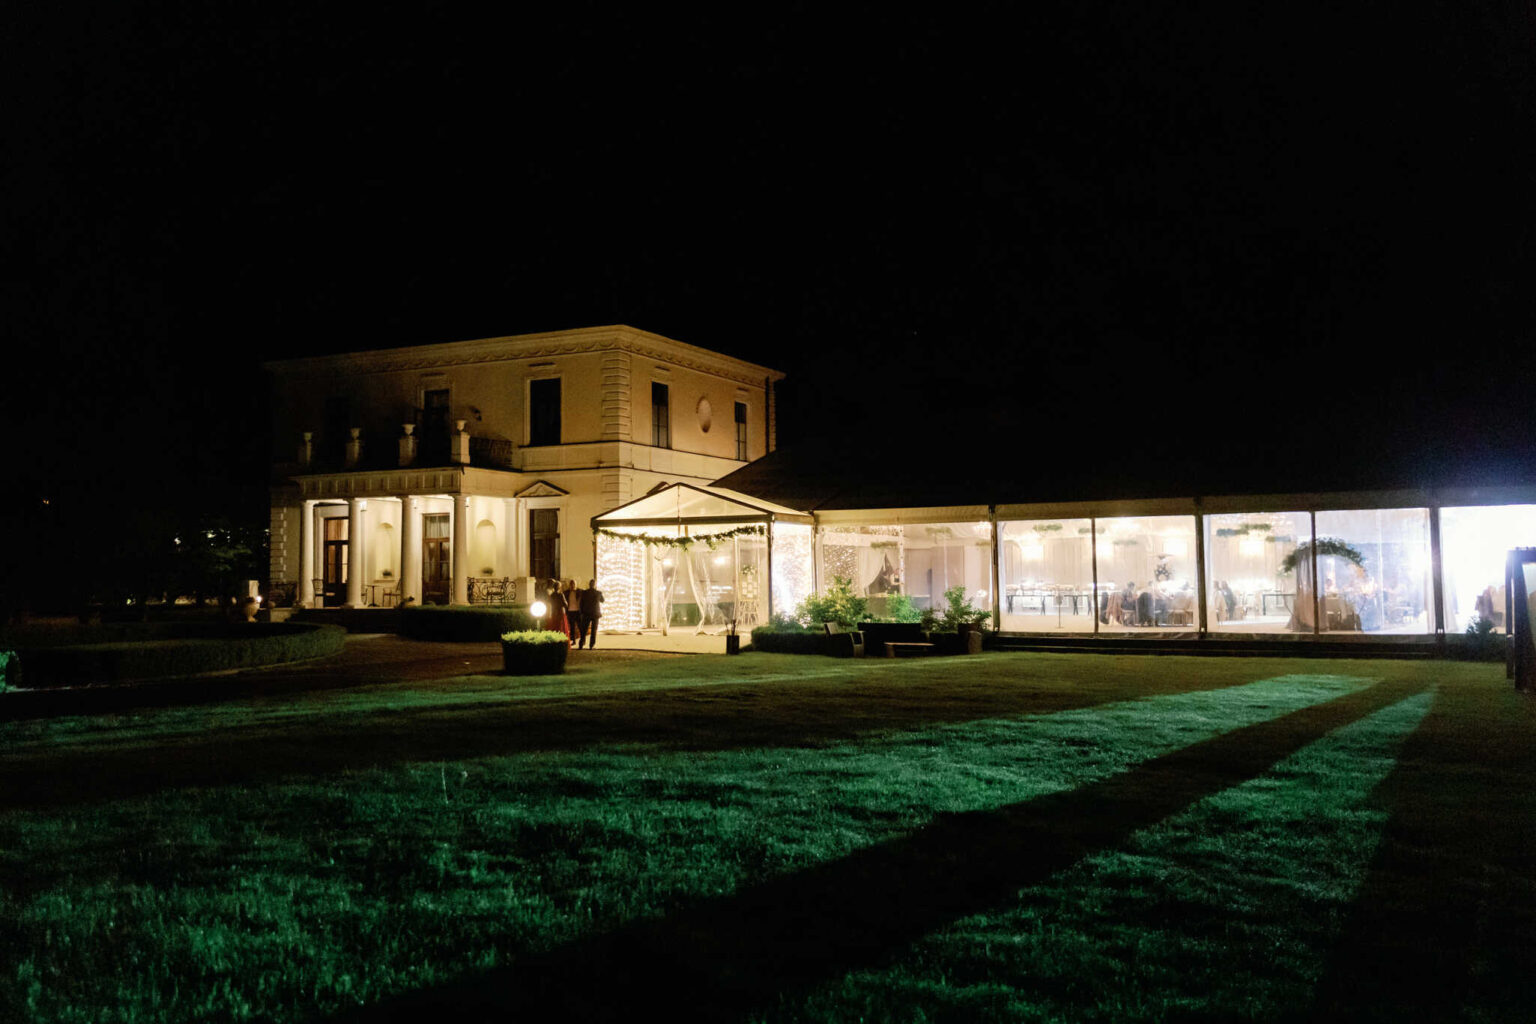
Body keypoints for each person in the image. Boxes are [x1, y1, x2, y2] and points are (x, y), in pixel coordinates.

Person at [579, 578, 604, 648]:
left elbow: (581, 603)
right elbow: (602, 600)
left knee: (584, 629)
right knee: (594, 630)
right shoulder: (598, 593)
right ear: (594, 585)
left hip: (586, 613)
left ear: (589, 584)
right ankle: (591, 645)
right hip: (595, 613)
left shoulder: (584, 592)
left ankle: (581, 643)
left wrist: (581, 612)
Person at [564, 579, 583, 647]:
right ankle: (573, 641)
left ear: (576, 584)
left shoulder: (579, 591)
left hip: (578, 611)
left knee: (580, 626)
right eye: (571, 584)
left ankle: (582, 640)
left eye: (573, 584)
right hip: (570, 611)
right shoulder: (566, 592)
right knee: (572, 627)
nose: (572, 585)